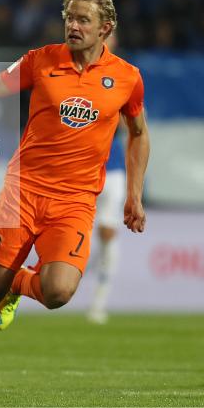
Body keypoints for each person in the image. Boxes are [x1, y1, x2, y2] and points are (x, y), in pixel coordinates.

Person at [0, 0, 150, 395]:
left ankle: (18, 284)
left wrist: (134, 195)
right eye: (69, 17)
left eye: (83, 20)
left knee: (57, 291)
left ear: (105, 28)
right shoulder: (40, 60)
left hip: (74, 201)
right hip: (23, 191)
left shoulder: (127, 78)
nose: (73, 25)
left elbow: (139, 133)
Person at [86, 128, 126, 324]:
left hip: (113, 172)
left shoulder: (123, 98)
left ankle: (98, 303)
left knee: (107, 234)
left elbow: (133, 125)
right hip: (85, 169)